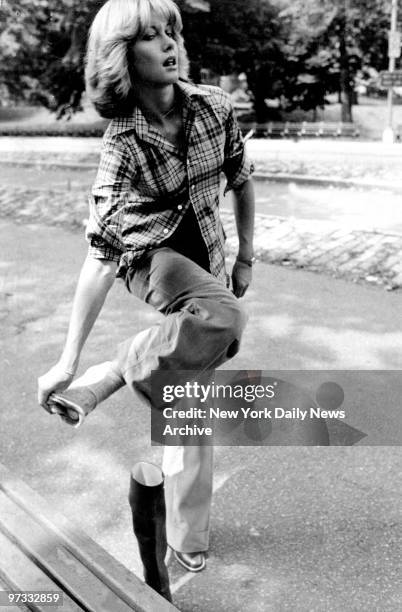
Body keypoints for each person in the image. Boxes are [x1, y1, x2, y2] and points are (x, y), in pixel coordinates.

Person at [37, 0, 255, 573]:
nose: (169, 44)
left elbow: (241, 179)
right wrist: (68, 359)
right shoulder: (122, 142)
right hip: (150, 256)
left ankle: (186, 529)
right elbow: (100, 255)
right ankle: (116, 366)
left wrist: (248, 256)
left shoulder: (214, 106)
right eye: (151, 36)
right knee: (224, 320)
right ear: (122, 57)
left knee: (189, 391)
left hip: (208, 253)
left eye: (172, 31)